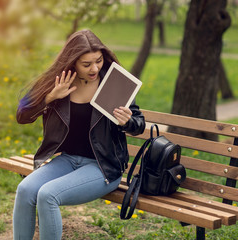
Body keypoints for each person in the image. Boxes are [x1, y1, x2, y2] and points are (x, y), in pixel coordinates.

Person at [13, 29, 145, 240]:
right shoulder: (59, 81)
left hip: (103, 167)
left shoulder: (113, 82)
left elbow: (138, 124)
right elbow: (22, 115)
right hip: (67, 161)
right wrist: (49, 98)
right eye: (86, 64)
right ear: (73, 61)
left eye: (98, 61)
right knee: (25, 189)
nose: (94, 68)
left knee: (48, 196)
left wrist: (128, 121)